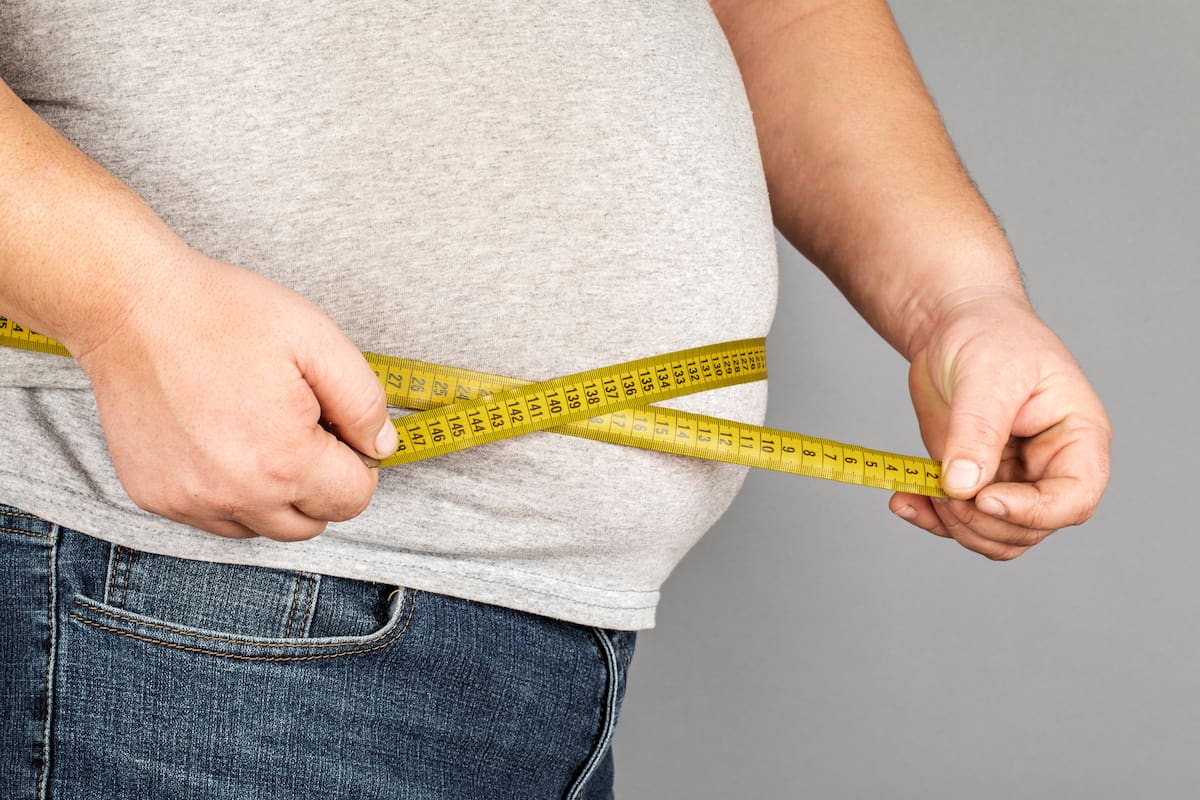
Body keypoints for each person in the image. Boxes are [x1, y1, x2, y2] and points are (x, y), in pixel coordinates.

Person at [0, 1, 1111, 798]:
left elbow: (784, 16)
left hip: (546, 641)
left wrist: (961, 297)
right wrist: (126, 304)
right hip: (193, 589)